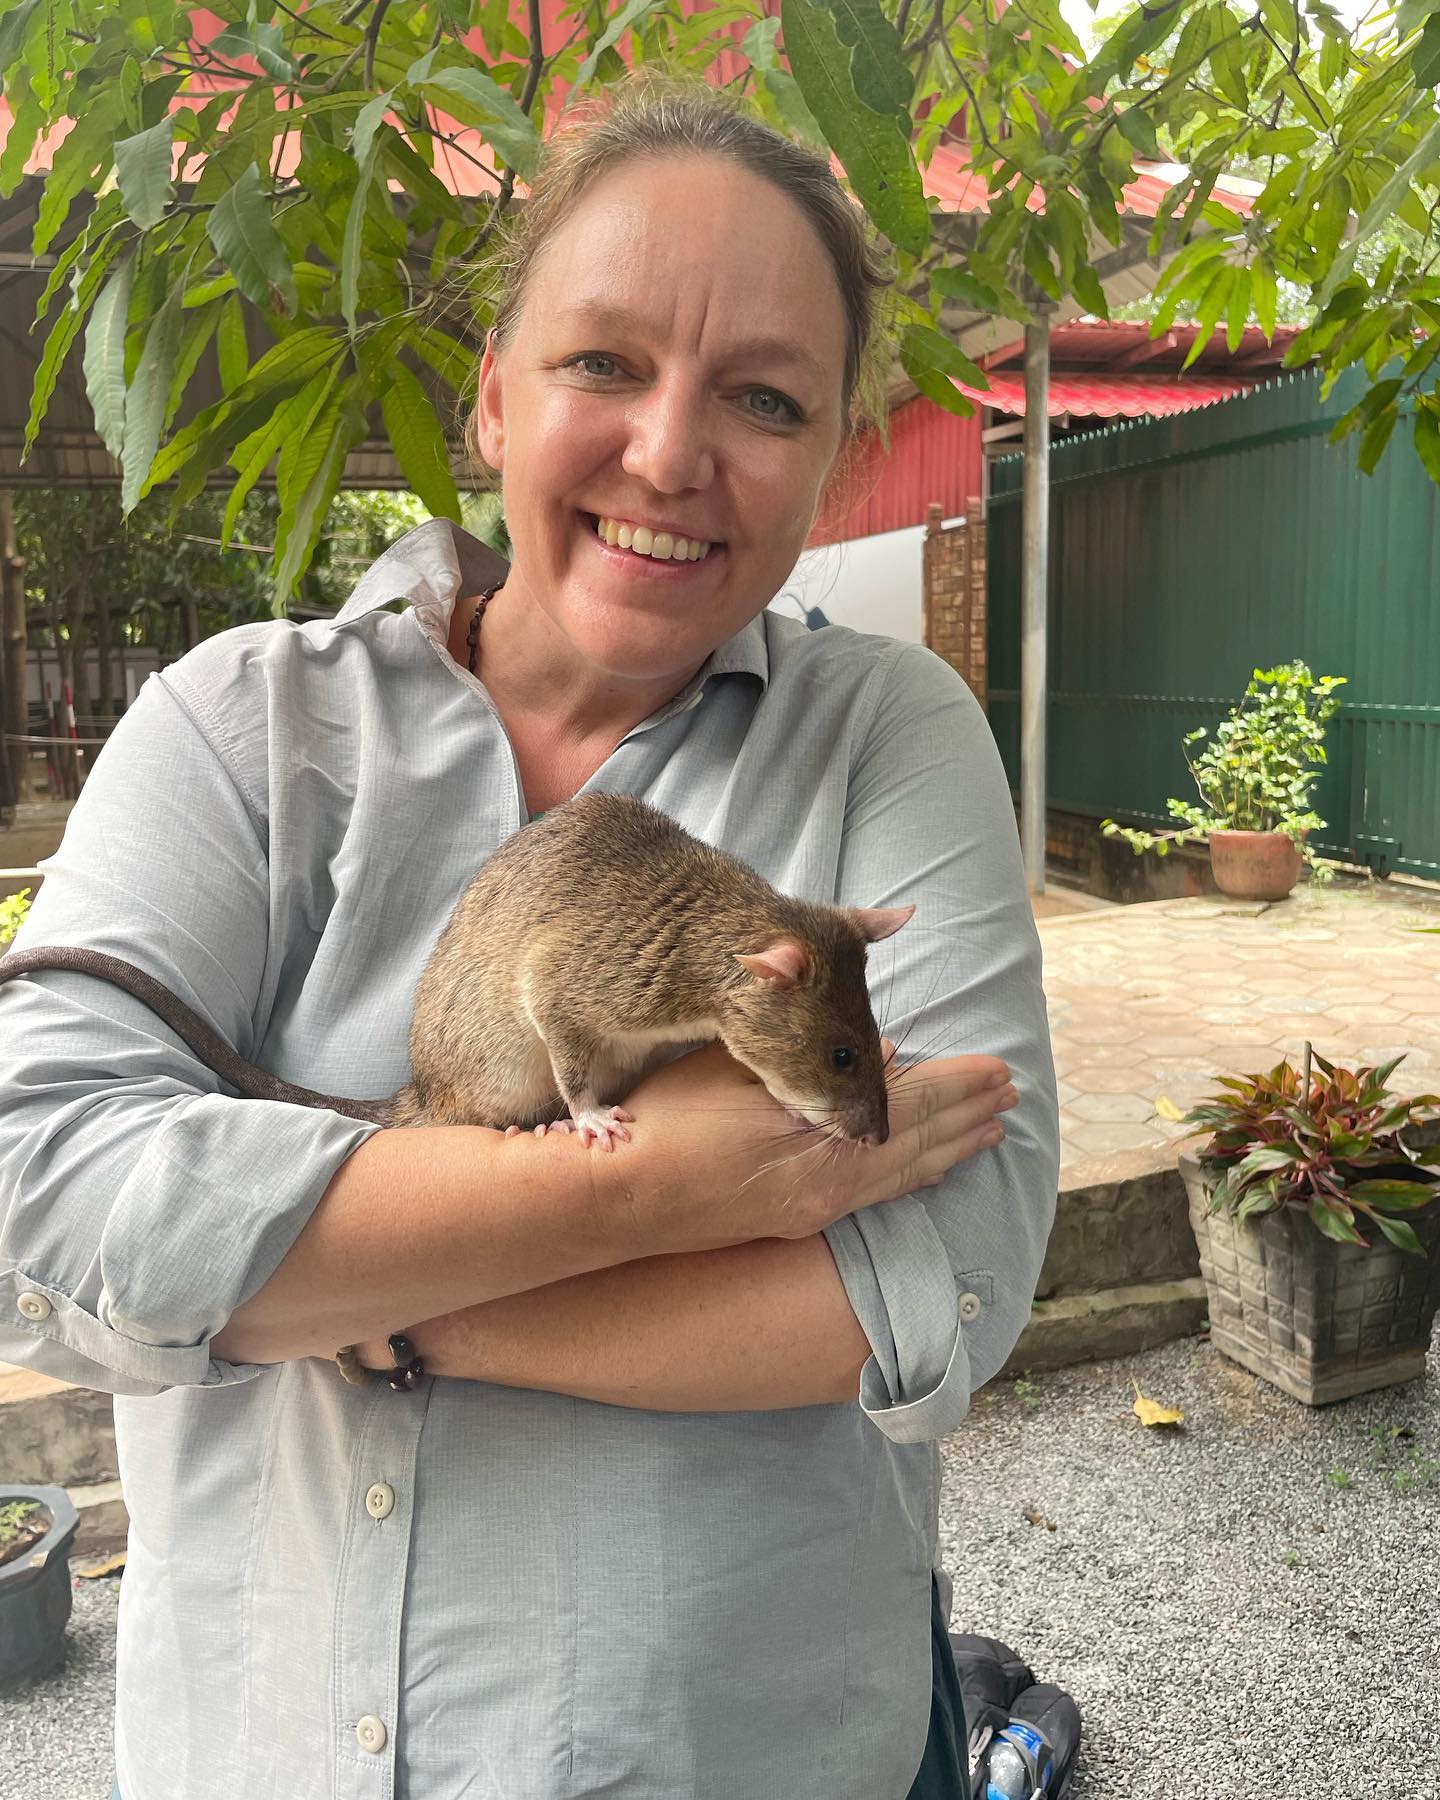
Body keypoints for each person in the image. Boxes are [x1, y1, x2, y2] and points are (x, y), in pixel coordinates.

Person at [0, 73, 1058, 1800]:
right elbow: (35, 1199)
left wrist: (383, 1311)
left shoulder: (886, 735)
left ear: (826, 464)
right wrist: (646, 1192)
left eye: (765, 397)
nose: (669, 455)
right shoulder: (239, 723)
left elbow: (943, 1276)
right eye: (602, 363)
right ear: (491, 398)